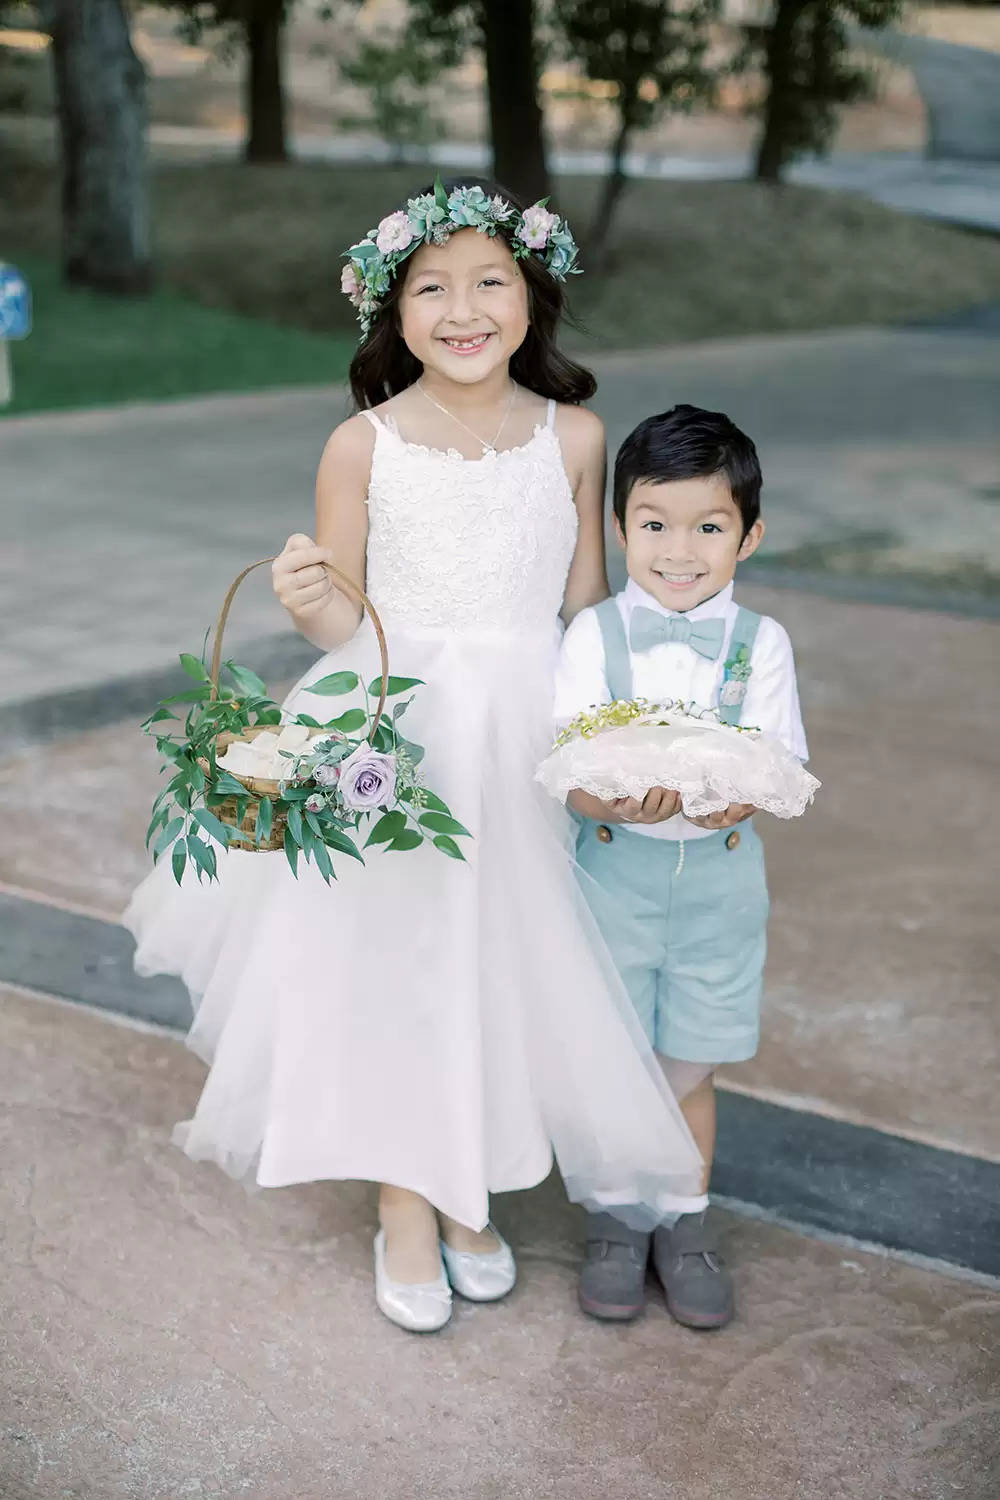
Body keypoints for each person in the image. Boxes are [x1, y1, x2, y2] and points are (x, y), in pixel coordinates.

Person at [125, 179, 705, 1335]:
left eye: (489, 282)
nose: (463, 310)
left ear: (533, 298)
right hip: (392, 730)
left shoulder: (577, 437)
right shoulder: (362, 443)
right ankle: (407, 1198)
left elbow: (582, 608)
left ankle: (464, 1184)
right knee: (400, 964)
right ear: (390, 316)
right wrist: (306, 611)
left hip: (522, 727)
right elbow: (347, 620)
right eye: (430, 289)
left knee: (493, 966)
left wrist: (622, 726)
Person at [554, 404, 809, 1329]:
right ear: (620, 529)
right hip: (612, 873)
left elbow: (774, 765)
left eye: (710, 527)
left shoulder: (762, 645)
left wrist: (726, 797)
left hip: (719, 881)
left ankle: (686, 1222)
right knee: (619, 1051)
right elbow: (570, 772)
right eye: (655, 525)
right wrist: (612, 797)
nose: (679, 550)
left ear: (749, 536)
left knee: (689, 1062)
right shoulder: (593, 640)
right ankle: (620, 1220)